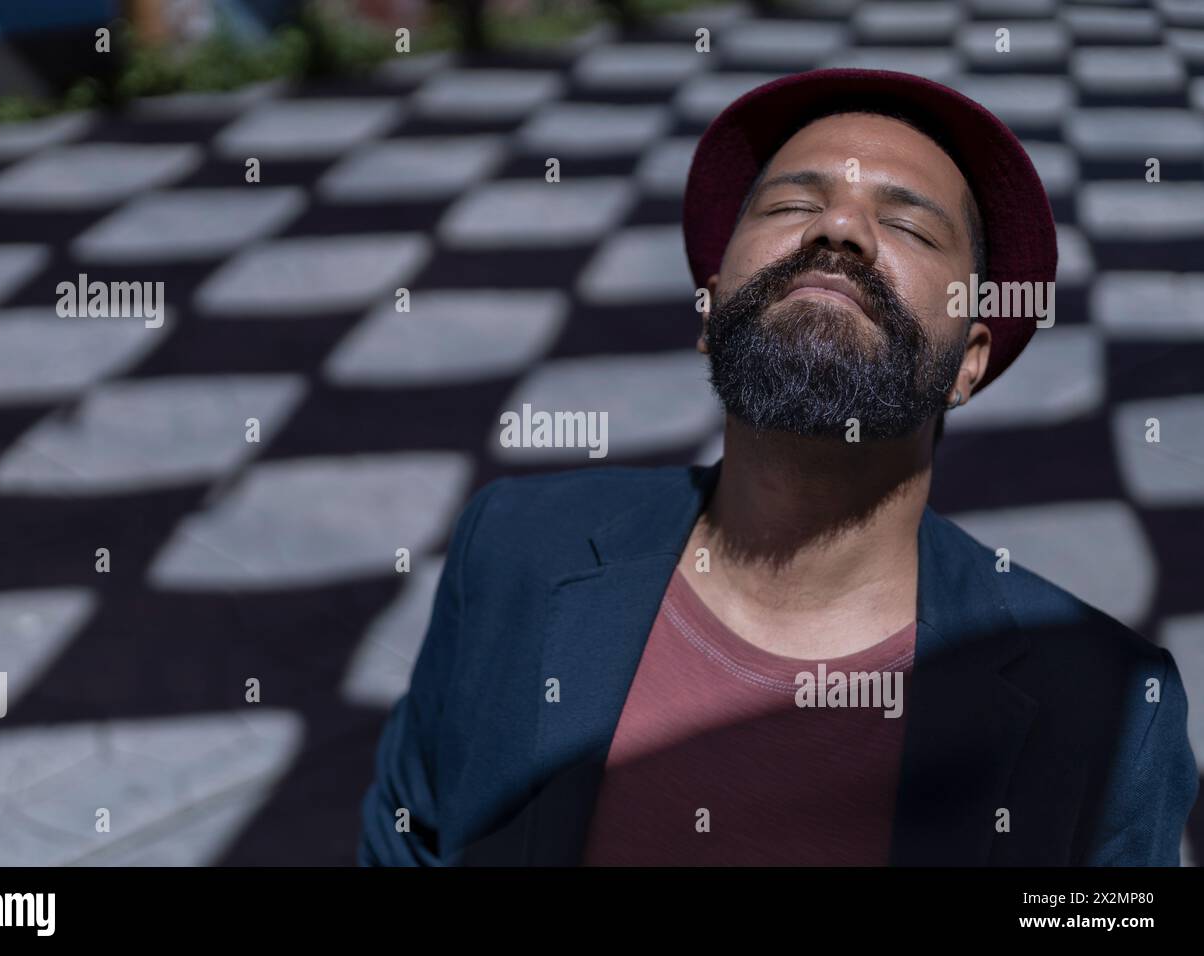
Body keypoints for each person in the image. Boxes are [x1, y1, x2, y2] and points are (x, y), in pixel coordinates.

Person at [357, 68, 1198, 866]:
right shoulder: (511, 548)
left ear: (971, 359)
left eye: (907, 224)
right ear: (712, 305)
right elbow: (409, 840)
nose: (839, 230)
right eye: (794, 202)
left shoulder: (1110, 707)